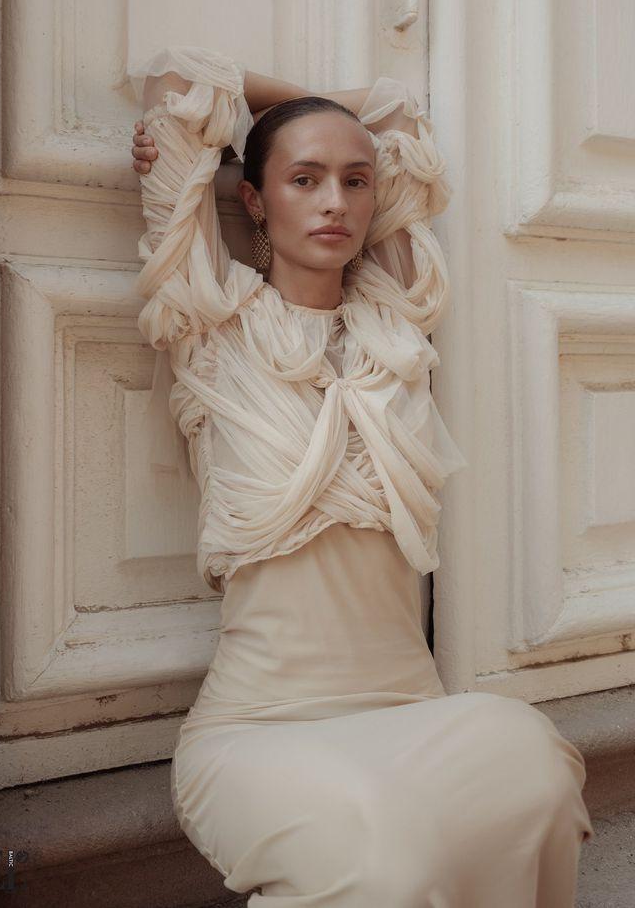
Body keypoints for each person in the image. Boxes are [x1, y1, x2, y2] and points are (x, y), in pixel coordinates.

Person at [127, 45, 594, 907]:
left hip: (409, 706)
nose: (335, 202)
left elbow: (401, 119)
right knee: (383, 858)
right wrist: (285, 114)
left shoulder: (395, 330)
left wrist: (315, 130)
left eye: (355, 180)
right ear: (254, 200)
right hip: (262, 726)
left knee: (535, 767)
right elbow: (174, 88)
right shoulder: (212, 326)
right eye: (303, 179)